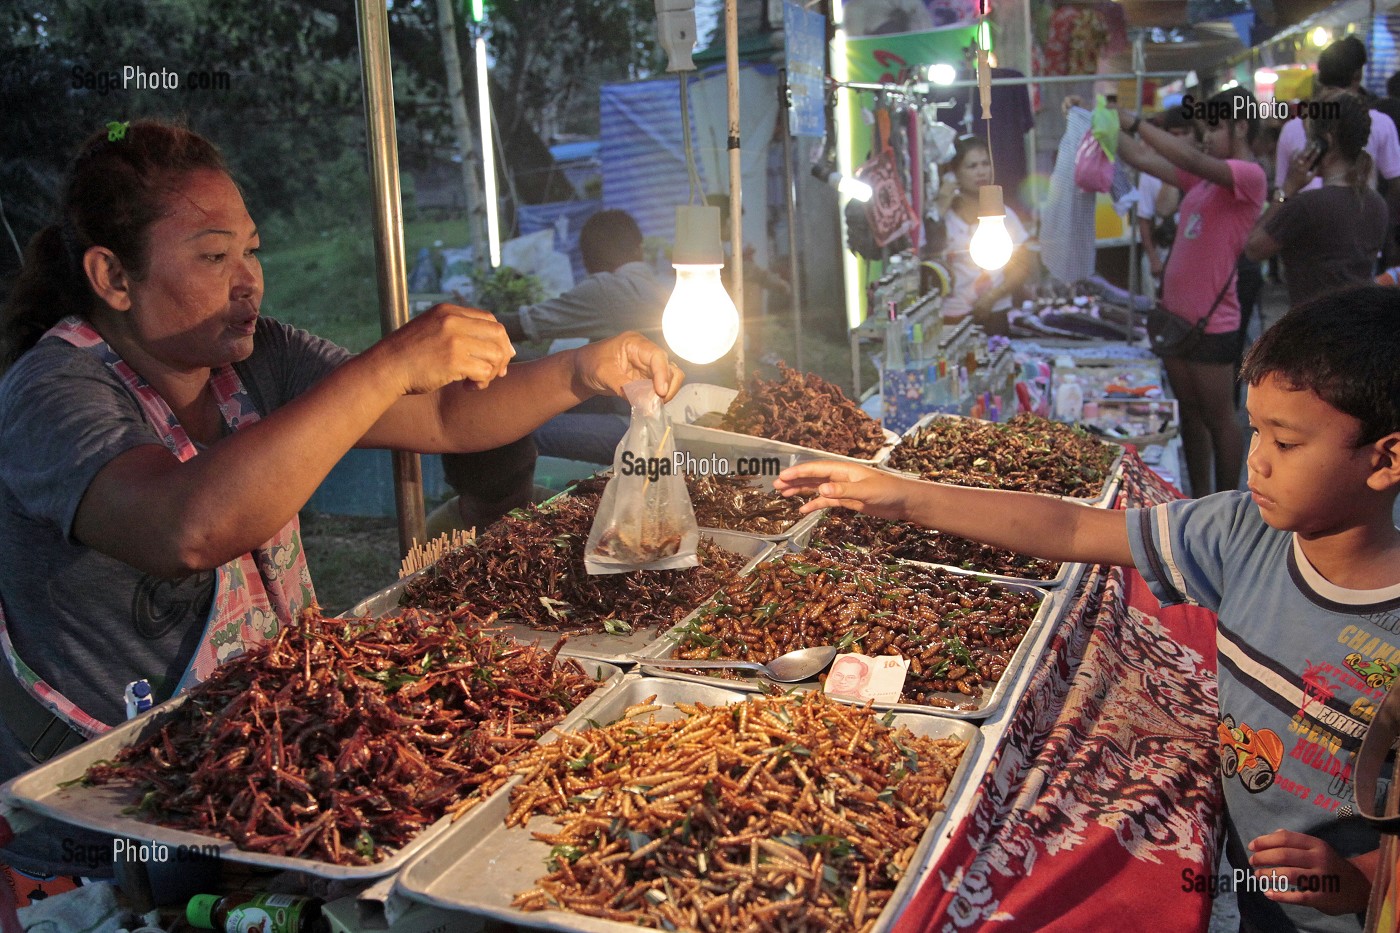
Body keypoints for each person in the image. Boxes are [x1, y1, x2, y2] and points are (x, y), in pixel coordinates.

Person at [0, 120, 681, 875]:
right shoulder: (52, 393)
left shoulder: (265, 359)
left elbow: (447, 415)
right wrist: (390, 362)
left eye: (252, 250)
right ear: (113, 277)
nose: (248, 277)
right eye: (214, 255)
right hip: (116, 800)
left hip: (272, 754)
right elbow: (184, 527)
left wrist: (585, 369)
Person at [775, 284, 1400, 933]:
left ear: (1386, 458)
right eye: (1257, 429)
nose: (1256, 461)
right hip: (1248, 890)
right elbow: (1074, 530)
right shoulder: (1240, 533)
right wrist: (906, 496)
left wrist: (1355, 880)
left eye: (1288, 442)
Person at [439, 210, 674, 530]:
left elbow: (523, 324)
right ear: (639, 249)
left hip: (648, 428)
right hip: (669, 413)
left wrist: (454, 328)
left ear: (588, 259)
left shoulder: (606, 289)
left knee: (523, 424)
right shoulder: (661, 284)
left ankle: (501, 518)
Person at [1114, 87, 1267, 496]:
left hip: (1212, 323)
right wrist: (1097, 122)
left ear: (1240, 127)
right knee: (1189, 415)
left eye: (1214, 128)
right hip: (1178, 319)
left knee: (1219, 418)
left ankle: (1228, 501)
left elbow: (1189, 157)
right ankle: (1199, 499)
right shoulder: (1202, 182)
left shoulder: (1248, 176)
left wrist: (1133, 121)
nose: (1206, 138)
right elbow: (1142, 158)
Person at [1246, 93, 1389, 313]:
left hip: (1312, 331)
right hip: (1358, 327)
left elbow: (1253, 249)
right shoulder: (1377, 204)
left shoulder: (1307, 205)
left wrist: (1287, 189)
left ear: (1326, 141)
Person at [1274, 37, 1400, 262]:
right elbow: (1396, 185)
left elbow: (1282, 189)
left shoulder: (1291, 128)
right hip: (1359, 241)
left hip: (1303, 241)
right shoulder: (1379, 123)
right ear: (1357, 76)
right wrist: (1383, 230)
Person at [930, 135, 1034, 334]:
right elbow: (929, 258)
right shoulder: (946, 219)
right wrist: (942, 206)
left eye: (985, 164)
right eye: (972, 166)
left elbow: (1023, 265)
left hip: (994, 314)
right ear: (955, 173)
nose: (981, 172)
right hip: (953, 317)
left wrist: (992, 297)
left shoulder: (1004, 216)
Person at [1135, 105, 1196, 297]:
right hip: (1164, 252)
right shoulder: (1153, 172)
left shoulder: (1208, 169)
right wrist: (1153, 258)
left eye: (1184, 133)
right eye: (1174, 134)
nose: (1179, 140)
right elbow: (1145, 218)